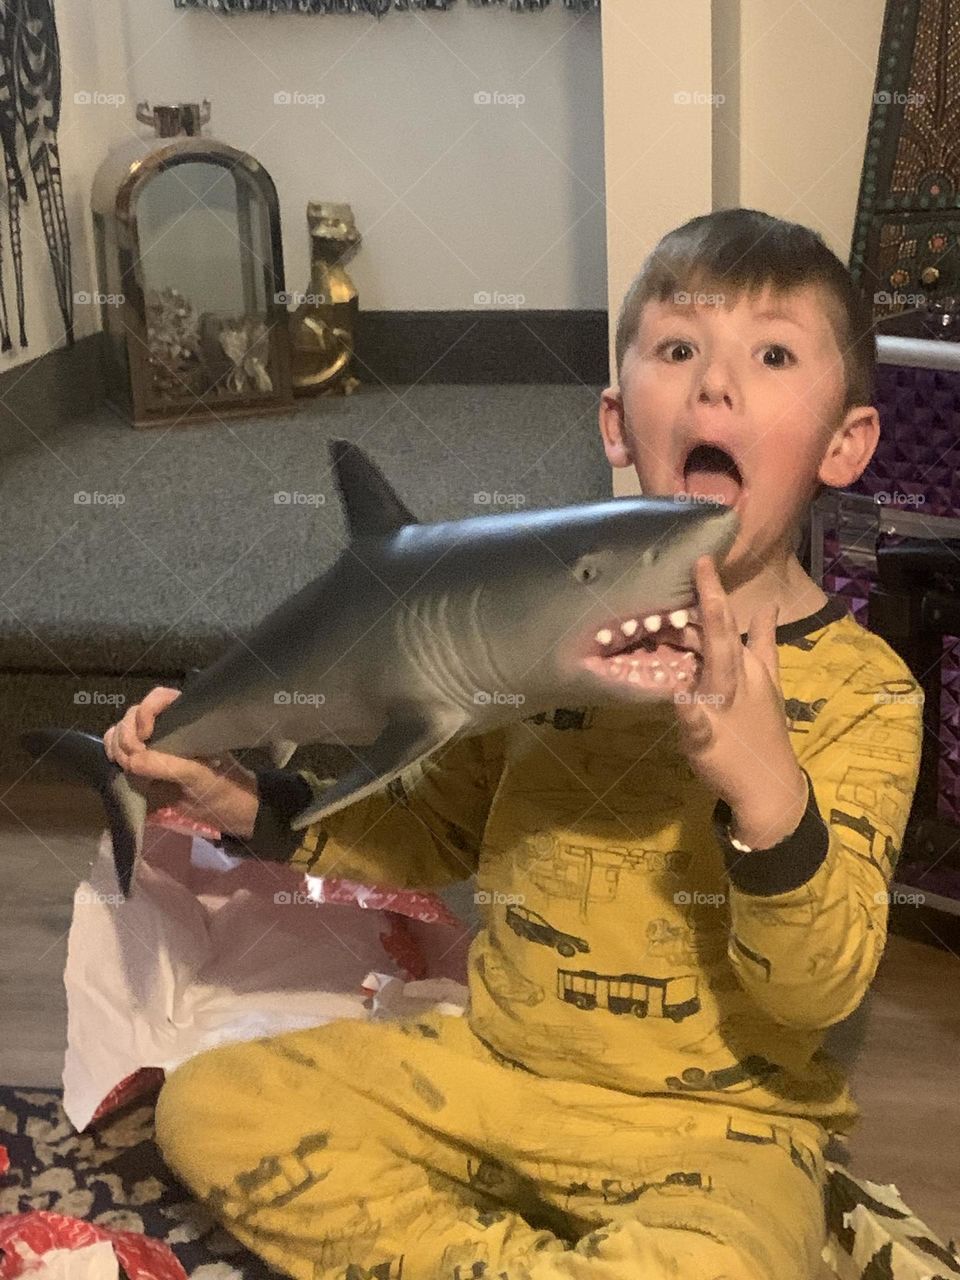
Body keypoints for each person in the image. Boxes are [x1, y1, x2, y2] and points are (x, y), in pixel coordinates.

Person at [105, 209, 924, 1280]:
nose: (714, 386)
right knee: (209, 1105)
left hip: (722, 1132)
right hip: (497, 1071)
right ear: (618, 420)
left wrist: (771, 798)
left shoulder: (870, 694)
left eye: (772, 355)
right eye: (678, 350)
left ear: (846, 441)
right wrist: (250, 807)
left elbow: (819, 989)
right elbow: (426, 826)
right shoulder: (530, 645)